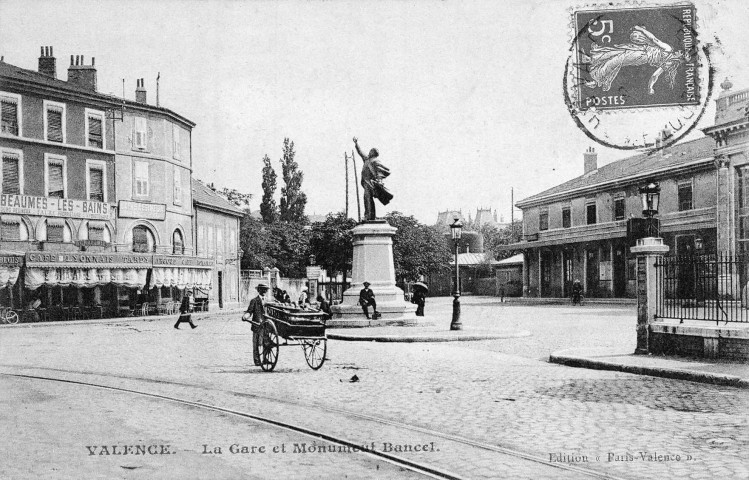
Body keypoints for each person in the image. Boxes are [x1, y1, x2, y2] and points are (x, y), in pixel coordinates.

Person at [582, 25, 687, 95]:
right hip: (641, 49)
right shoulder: (669, 61)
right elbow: (655, 75)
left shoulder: (668, 52)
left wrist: (641, 30)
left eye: (681, 53)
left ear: (680, 57)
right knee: (618, 50)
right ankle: (591, 59)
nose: (679, 51)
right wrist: (650, 88)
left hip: (641, 55)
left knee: (617, 60)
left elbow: (654, 39)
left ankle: (596, 80)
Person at [353, 137, 393, 221]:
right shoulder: (367, 160)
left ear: (374, 153)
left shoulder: (375, 161)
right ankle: (369, 216)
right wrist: (356, 143)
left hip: (371, 183)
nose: (369, 152)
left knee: (368, 199)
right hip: (366, 183)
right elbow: (360, 152)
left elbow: (379, 172)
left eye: (371, 151)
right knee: (367, 199)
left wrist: (379, 181)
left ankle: (370, 216)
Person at [243, 283, 269, 366]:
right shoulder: (254, 301)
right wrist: (245, 316)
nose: (264, 291)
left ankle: (265, 359)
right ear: (258, 290)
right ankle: (257, 360)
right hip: (257, 325)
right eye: (262, 289)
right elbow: (249, 311)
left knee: (266, 342)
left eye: (266, 289)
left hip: (266, 325)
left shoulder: (268, 301)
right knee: (256, 344)